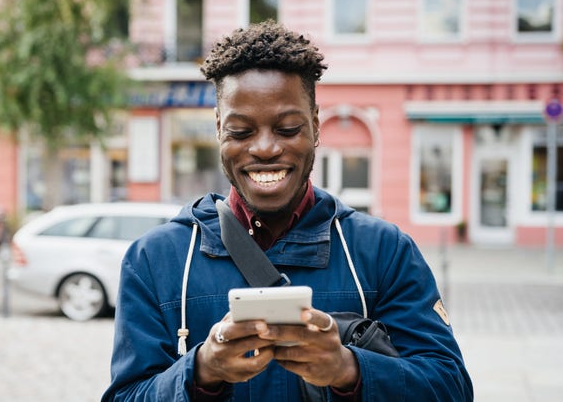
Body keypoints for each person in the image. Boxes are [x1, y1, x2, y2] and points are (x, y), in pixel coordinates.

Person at [102, 21, 472, 401]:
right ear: (218, 130)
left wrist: (348, 369)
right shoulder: (153, 259)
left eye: (288, 128)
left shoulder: (385, 251)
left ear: (315, 125)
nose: (264, 148)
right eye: (241, 132)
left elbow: (451, 388)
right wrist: (201, 371)